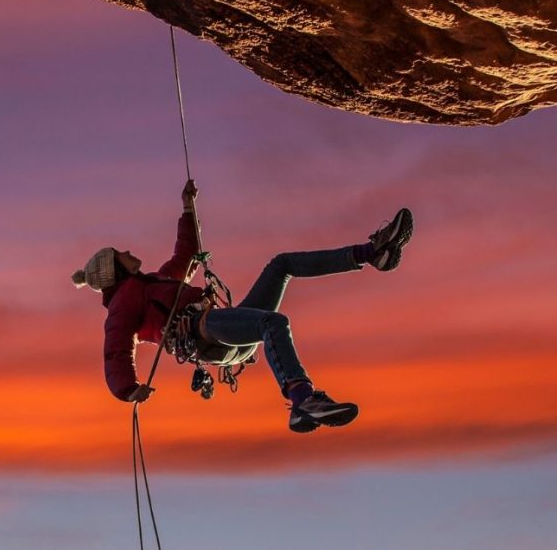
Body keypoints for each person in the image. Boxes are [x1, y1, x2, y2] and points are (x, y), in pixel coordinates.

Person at [71, 180, 413, 433]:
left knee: (281, 266)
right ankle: (302, 398)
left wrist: (187, 207)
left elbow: (186, 253)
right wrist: (128, 389)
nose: (128, 252)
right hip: (206, 335)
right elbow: (115, 347)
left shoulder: (155, 281)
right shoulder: (125, 301)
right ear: (115, 270)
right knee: (273, 323)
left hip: (219, 331)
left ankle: (373, 254)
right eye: (121, 255)